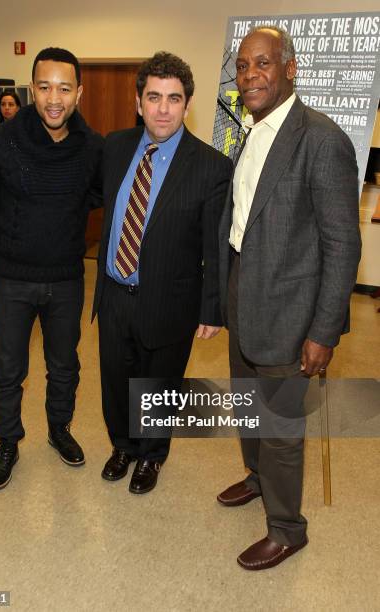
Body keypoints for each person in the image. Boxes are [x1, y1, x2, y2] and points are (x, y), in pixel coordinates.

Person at [217, 26, 361, 570]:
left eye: (263, 64)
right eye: (243, 66)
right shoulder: (252, 131)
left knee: (281, 430)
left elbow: (342, 245)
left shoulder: (321, 139)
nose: (250, 75)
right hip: (243, 299)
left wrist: (324, 331)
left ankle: (287, 528)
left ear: (290, 68)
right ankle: (257, 479)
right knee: (248, 407)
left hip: (291, 315)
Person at [92, 52, 232, 494]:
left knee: (159, 387)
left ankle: (151, 455)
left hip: (172, 299)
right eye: (154, 97)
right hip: (114, 292)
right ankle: (123, 445)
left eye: (174, 98)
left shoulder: (211, 166)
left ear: (187, 104)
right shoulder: (114, 147)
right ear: (139, 102)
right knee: (116, 379)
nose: (164, 108)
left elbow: (214, 245)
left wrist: (212, 308)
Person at [0, 47, 103, 490]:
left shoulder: (93, 147)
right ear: (31, 89)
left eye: (64, 88)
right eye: (44, 87)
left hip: (66, 279)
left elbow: (105, 198)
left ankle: (59, 428)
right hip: (10, 280)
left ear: (79, 92)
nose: (54, 98)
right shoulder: (1, 142)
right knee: (7, 369)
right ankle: (7, 441)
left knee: (65, 366)